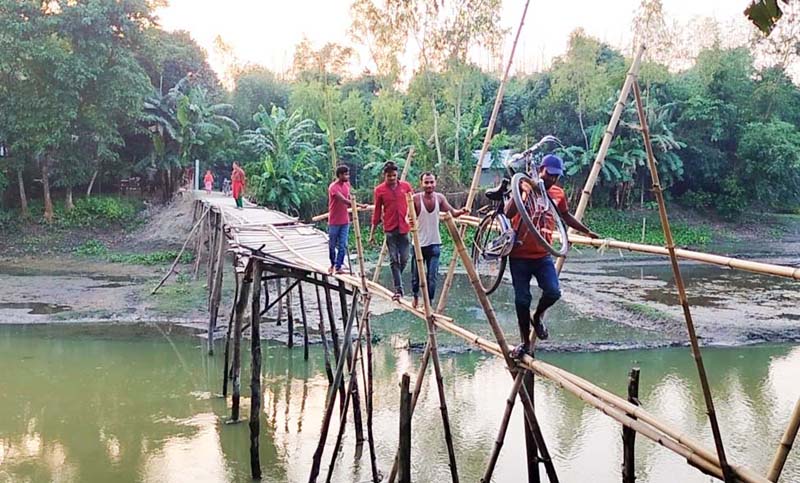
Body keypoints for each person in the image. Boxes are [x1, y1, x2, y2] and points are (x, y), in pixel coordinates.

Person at [504, 154, 599, 356]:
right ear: (541, 170)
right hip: (519, 255)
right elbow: (508, 212)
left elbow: (565, 216)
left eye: (556, 176)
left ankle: (537, 317)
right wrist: (519, 191)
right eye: (549, 174)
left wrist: (586, 231)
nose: (552, 180)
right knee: (522, 300)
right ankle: (524, 343)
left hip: (542, 255)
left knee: (553, 292)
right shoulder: (524, 186)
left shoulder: (557, 193)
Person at [410, 172, 468, 309]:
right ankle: (415, 296)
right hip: (418, 244)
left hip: (434, 243)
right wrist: (409, 222)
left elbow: (453, 212)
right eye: (426, 182)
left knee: (432, 277)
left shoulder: (440, 198)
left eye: (431, 182)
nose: (429, 185)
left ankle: (429, 303)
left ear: (435, 183)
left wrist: (462, 211)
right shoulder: (415, 199)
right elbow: (409, 217)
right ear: (421, 184)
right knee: (416, 276)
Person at [368, 161, 414, 300]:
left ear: (397, 174)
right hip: (390, 228)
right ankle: (399, 289)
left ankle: (397, 278)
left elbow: (414, 205)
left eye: (394, 175)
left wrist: (415, 221)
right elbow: (377, 212)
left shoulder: (406, 187)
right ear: (384, 175)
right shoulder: (379, 190)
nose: (392, 178)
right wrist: (372, 233)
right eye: (389, 176)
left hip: (405, 228)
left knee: (405, 258)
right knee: (394, 259)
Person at [327, 165, 365, 274]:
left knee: (343, 244)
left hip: (344, 221)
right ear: (339, 175)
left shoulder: (347, 185)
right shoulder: (333, 187)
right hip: (334, 221)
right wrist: (360, 205)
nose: (347, 176)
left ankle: (338, 267)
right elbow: (344, 200)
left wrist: (356, 204)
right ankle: (332, 264)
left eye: (348, 174)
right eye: (345, 174)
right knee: (332, 245)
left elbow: (348, 198)